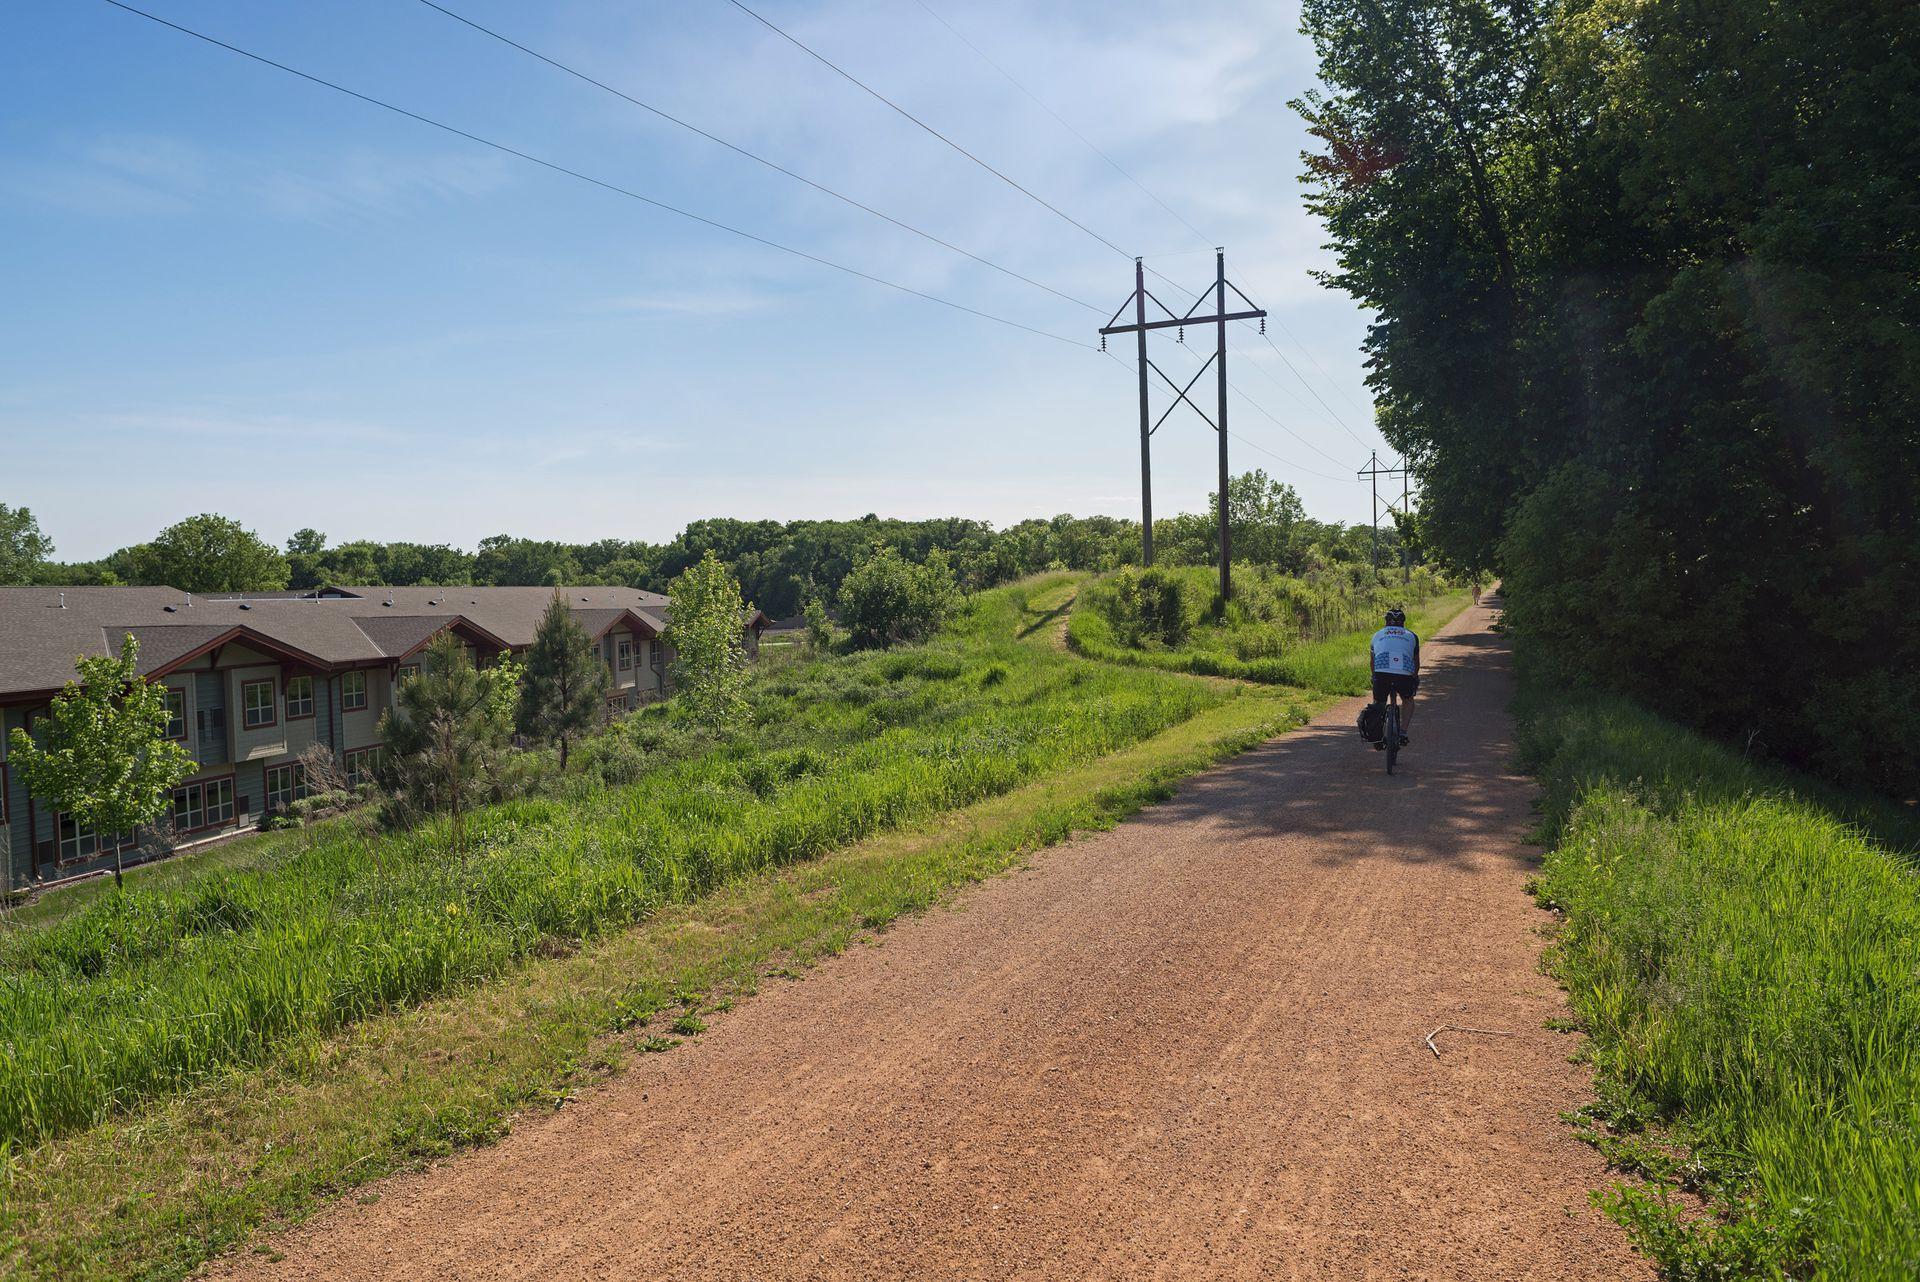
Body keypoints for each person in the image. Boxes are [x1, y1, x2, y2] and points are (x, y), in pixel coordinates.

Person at [1369, 607, 1420, 745]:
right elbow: (1416, 662)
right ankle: (1403, 732)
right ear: (1403, 623)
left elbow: (1373, 662)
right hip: (1404, 675)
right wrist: (1414, 677)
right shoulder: (1412, 635)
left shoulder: (1376, 635)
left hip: (1382, 673)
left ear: (1386, 623)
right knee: (1408, 700)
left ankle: (1377, 735)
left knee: (1378, 703)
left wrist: (1374, 678)